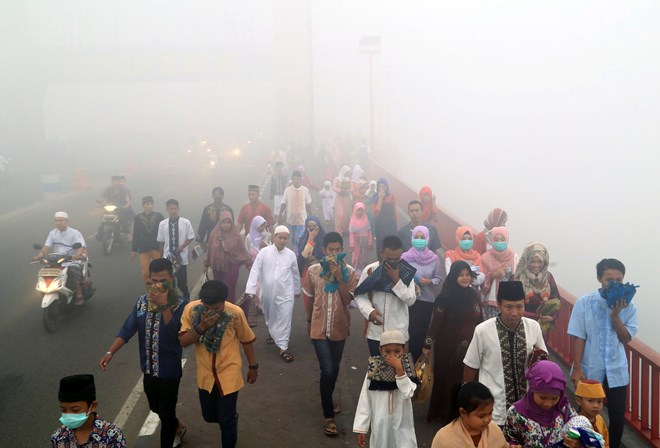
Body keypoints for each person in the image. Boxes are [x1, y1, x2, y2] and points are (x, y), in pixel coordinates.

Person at [99, 258, 187, 448]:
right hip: (148, 370)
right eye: (153, 280)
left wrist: (164, 305)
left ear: (171, 278)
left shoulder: (181, 305)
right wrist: (110, 352)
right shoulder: (141, 302)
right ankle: (177, 425)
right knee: (156, 408)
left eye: (162, 280)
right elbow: (128, 328)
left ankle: (171, 434)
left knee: (165, 411)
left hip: (170, 372)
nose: (157, 285)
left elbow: (176, 335)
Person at [179, 280, 258, 448]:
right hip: (205, 375)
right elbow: (183, 341)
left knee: (226, 420)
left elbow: (246, 339)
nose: (211, 312)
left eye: (217, 309)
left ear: (225, 301)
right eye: (207, 308)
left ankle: (229, 422)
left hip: (229, 373)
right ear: (202, 302)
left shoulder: (235, 313)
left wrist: (253, 366)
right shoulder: (192, 311)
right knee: (208, 415)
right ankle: (229, 418)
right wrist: (201, 326)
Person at [568, 258, 638, 448]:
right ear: (600, 278)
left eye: (619, 280)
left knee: (616, 416)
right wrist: (576, 369)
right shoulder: (585, 303)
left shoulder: (629, 306)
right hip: (590, 368)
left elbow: (626, 338)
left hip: (616, 370)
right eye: (609, 279)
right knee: (584, 414)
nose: (614, 284)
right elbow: (579, 337)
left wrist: (616, 315)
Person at [463, 281, 547, 426]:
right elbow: (471, 366)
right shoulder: (482, 330)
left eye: (519, 306)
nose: (514, 312)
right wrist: (468, 401)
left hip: (527, 411)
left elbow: (544, 363)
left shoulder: (534, 327)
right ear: (499, 304)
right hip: (493, 411)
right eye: (508, 307)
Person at [302, 232, 357, 437]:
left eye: (337, 250)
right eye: (330, 250)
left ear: (342, 250)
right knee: (327, 368)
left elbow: (347, 300)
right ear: (324, 250)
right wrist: (309, 321)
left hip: (339, 328)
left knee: (333, 369)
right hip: (318, 327)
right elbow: (308, 298)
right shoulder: (314, 271)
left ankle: (329, 398)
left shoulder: (349, 272)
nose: (334, 253)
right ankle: (328, 417)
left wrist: (338, 277)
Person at [422, 260, 482, 423]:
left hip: (470, 347)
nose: (465, 278)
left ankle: (464, 414)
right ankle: (444, 414)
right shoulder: (445, 297)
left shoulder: (475, 296)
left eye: (468, 275)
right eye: (461, 275)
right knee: (447, 379)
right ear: (454, 276)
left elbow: (480, 322)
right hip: (447, 348)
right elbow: (435, 324)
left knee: (468, 380)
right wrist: (427, 344)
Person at [353, 329, 418, 448]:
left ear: (404, 350)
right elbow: (365, 399)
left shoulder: (408, 368)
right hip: (380, 426)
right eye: (387, 351)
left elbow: (408, 393)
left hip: (403, 425)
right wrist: (361, 428)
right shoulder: (374, 369)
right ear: (380, 350)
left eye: (397, 351)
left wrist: (399, 370)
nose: (392, 356)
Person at [244, 226, 301, 362]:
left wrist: (297, 289)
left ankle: (283, 347)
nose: (282, 240)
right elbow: (255, 270)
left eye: (285, 238)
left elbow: (295, 274)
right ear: (274, 237)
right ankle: (272, 332)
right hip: (267, 294)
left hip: (286, 293)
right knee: (271, 316)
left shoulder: (291, 255)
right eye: (280, 237)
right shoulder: (264, 252)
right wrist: (250, 289)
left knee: (285, 319)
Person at [355, 235, 417, 356]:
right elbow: (359, 295)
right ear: (381, 253)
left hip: (399, 334)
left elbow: (411, 300)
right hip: (375, 333)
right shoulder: (370, 271)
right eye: (389, 259)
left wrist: (397, 281)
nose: (393, 262)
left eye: (397, 259)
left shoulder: (406, 272)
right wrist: (370, 312)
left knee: (398, 372)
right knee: (378, 371)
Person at [504, 360, 578, 447]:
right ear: (532, 390)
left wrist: (577, 443)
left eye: (554, 398)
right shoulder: (516, 413)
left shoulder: (564, 409)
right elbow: (508, 439)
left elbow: (578, 431)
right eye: (542, 397)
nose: (548, 403)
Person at [401, 225, 442, 362]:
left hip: (426, 301)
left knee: (422, 334)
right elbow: (400, 277)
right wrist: (411, 282)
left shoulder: (434, 258)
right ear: (412, 238)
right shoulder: (405, 257)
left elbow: (438, 279)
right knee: (410, 333)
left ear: (427, 239)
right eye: (417, 237)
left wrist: (429, 281)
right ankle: (408, 366)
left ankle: (418, 367)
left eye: (422, 237)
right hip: (409, 300)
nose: (419, 240)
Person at [51, 374, 126, 447]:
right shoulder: (58, 437)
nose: (69, 414)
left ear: (93, 406)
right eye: (63, 410)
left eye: (75, 410)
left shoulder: (112, 435)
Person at [431, 382, 511, 448]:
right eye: (481, 416)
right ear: (463, 412)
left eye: (490, 413)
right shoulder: (444, 439)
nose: (487, 419)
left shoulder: (495, 431)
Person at [34, 211, 88, 305]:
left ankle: (79, 293)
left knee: (72, 270)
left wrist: (77, 254)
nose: (58, 222)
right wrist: (40, 256)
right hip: (56, 259)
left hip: (71, 259)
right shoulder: (52, 233)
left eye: (60, 220)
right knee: (45, 271)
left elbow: (80, 247)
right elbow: (47, 247)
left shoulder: (74, 233)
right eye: (56, 221)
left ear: (67, 221)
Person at [514, 242, 561, 337]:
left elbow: (556, 299)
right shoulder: (517, 278)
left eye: (539, 262)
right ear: (526, 260)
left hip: (540, 326)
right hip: (519, 324)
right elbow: (510, 303)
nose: (536, 265)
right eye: (532, 261)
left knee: (539, 351)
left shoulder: (548, 278)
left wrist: (552, 317)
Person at [204, 211, 251, 304]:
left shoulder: (236, 236)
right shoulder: (214, 234)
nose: (226, 225)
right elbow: (209, 249)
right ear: (220, 223)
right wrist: (206, 264)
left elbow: (242, 251)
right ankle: (219, 311)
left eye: (228, 222)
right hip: (217, 268)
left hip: (231, 267)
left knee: (229, 290)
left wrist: (249, 265)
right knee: (219, 290)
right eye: (224, 222)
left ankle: (229, 312)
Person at [157, 199, 195, 299]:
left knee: (182, 282)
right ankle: (172, 301)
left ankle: (186, 297)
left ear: (178, 209)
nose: (173, 211)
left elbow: (190, 237)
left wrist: (181, 247)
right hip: (167, 258)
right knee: (169, 282)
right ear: (167, 210)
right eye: (171, 209)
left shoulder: (185, 222)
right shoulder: (162, 224)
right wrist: (160, 256)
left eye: (175, 208)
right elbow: (161, 241)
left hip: (181, 258)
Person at [481, 226, 519, 319]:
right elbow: (480, 280)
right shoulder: (485, 257)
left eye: (502, 239)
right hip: (490, 301)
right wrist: (493, 275)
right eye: (496, 239)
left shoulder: (514, 257)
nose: (499, 242)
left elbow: (518, 280)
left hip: (508, 302)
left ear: (507, 239)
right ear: (492, 240)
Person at [131, 196, 165, 284]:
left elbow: (164, 231)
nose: (150, 206)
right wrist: (134, 249)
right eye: (147, 204)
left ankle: (161, 288)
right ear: (143, 206)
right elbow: (136, 233)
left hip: (156, 247)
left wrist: (165, 245)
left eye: (151, 204)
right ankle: (150, 290)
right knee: (145, 272)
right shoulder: (138, 218)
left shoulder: (159, 216)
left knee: (160, 270)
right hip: (143, 248)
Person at [278, 170, 312, 254]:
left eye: (297, 179)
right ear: (292, 180)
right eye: (294, 179)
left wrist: (310, 216)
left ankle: (297, 256)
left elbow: (308, 204)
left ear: (301, 180)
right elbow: (283, 203)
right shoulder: (287, 190)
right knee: (293, 239)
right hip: (291, 220)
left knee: (300, 239)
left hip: (302, 220)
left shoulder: (305, 190)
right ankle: (296, 252)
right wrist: (280, 215)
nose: (296, 181)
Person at [574, 380, 610, 446]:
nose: (596, 406)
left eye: (599, 402)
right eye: (590, 401)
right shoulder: (575, 422)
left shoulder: (599, 419)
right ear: (578, 401)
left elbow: (606, 441)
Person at [372, 178, 398, 254]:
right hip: (380, 226)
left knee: (392, 244)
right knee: (381, 244)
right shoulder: (375, 198)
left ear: (387, 187)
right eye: (380, 187)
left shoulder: (391, 196)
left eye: (384, 186)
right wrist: (380, 198)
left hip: (391, 225)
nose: (382, 189)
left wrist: (396, 224)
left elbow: (395, 210)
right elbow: (376, 213)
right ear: (377, 187)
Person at [348, 202, 373, 274]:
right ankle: (358, 271)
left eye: (362, 210)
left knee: (365, 255)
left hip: (365, 242)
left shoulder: (366, 220)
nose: (360, 212)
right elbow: (351, 234)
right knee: (357, 256)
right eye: (358, 210)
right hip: (356, 243)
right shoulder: (353, 221)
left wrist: (370, 242)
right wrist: (352, 245)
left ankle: (364, 270)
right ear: (355, 210)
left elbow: (369, 232)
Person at [333, 165, 353, 235]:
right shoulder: (337, 179)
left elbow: (352, 188)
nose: (347, 174)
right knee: (340, 214)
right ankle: (338, 230)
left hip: (346, 198)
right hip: (339, 198)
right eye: (346, 172)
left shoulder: (349, 180)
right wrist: (340, 190)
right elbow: (334, 188)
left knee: (346, 214)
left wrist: (348, 191)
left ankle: (345, 229)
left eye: (348, 172)